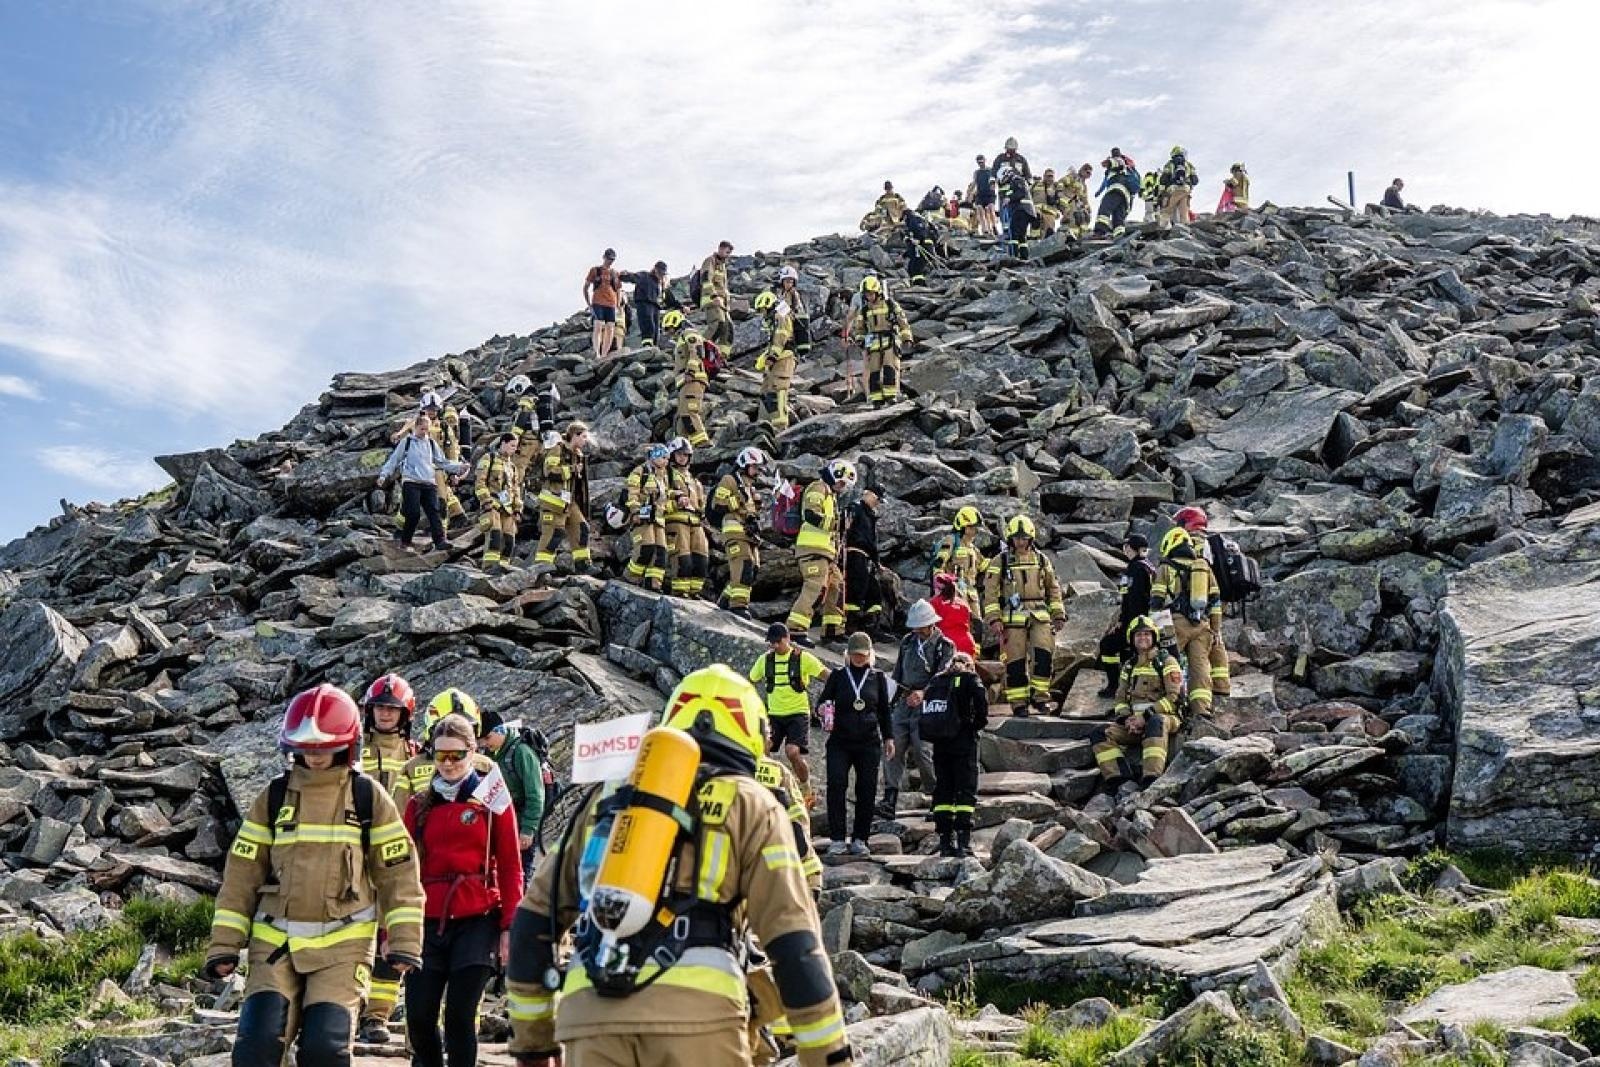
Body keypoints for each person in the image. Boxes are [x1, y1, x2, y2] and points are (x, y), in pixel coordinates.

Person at [504, 665, 853, 1067]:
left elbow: (533, 923)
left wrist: (533, 1044)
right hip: (699, 1017)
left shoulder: (609, 798)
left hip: (591, 1016)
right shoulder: (751, 803)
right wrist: (830, 1057)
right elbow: (794, 947)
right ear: (752, 733)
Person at [205, 684, 425, 1067]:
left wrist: (405, 940)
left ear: (347, 745)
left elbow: (399, 873)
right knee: (257, 1044)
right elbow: (242, 874)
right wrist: (224, 944)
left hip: (344, 947)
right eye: (306, 748)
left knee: (325, 1049)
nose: (315, 756)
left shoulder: (367, 798)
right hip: (276, 944)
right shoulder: (274, 798)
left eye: (325, 747)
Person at [403, 713, 524, 1067]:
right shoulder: (418, 806)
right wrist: (389, 930)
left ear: (472, 752)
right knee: (419, 1018)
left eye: (456, 755)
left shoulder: (493, 801)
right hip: (427, 920)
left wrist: (510, 927)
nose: (448, 763)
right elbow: (399, 873)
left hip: (477, 919)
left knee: (459, 1017)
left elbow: (511, 865)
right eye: (441, 755)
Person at [356, 674, 419, 1044]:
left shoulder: (415, 754)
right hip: (355, 854)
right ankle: (349, 1007)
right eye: (380, 707)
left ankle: (376, 1016)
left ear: (405, 714)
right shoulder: (352, 749)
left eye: (392, 709)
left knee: (392, 931)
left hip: (397, 856)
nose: (385, 714)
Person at [817, 632, 893, 855]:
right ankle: (837, 839)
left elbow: (884, 711)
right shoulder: (838, 676)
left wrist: (889, 738)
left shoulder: (878, 677)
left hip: (869, 742)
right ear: (847, 655)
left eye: (862, 655)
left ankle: (861, 838)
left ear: (870, 655)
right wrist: (821, 709)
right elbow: (823, 701)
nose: (859, 658)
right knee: (836, 786)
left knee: (867, 789)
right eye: (855, 655)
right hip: (840, 741)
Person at [982, 515, 1065, 716]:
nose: (1020, 542)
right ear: (1010, 539)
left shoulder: (1042, 559)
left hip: (1040, 615)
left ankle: (1040, 698)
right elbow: (990, 592)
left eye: (1024, 538)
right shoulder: (1000, 561)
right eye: (1017, 538)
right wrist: (994, 618)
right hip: (1012, 619)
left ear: (1031, 538)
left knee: (1044, 657)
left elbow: (1053, 588)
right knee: (1015, 662)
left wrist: (1058, 613)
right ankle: (1018, 704)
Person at [1091, 616, 1184, 790]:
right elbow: (1120, 699)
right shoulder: (1129, 666)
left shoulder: (1166, 661)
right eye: (1138, 635)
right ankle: (1119, 779)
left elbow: (1175, 698)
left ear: (1154, 637)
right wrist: (1127, 719)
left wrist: (1145, 717)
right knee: (1100, 733)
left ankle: (1151, 778)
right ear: (1132, 639)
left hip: (1165, 718)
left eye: (1147, 634)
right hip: (1134, 724)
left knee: (1156, 722)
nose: (1143, 638)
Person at [882, 599, 953, 819]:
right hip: (904, 701)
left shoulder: (944, 646)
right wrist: (890, 700)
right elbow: (898, 673)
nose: (917, 631)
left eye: (920, 627)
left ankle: (937, 795)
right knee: (893, 746)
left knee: (923, 751)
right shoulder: (907, 642)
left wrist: (924, 693)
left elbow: (944, 676)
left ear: (931, 624)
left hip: (929, 704)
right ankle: (889, 798)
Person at [1150, 526, 1225, 718]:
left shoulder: (1165, 567)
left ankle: (1169, 704)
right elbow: (1216, 602)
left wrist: (1152, 628)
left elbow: (1157, 600)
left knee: (1168, 662)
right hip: (1202, 626)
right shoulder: (1204, 568)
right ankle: (1201, 709)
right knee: (1200, 667)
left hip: (1175, 624)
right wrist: (1216, 629)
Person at [919, 652, 988, 857]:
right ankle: (963, 841)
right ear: (969, 665)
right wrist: (975, 726)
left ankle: (945, 840)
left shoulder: (937, 680)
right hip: (964, 742)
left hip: (940, 744)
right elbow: (982, 706)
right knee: (965, 791)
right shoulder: (970, 679)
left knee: (943, 790)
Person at [750, 622, 829, 796]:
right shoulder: (764, 660)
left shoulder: (803, 658)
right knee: (763, 747)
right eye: (771, 642)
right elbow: (751, 680)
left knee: (792, 752)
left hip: (798, 714)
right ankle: (773, 784)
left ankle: (806, 788)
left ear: (787, 638)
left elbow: (827, 676)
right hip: (774, 714)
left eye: (778, 641)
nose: (774, 645)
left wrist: (833, 696)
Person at [1162, 511, 1232, 705]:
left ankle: (1174, 696)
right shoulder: (1212, 543)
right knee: (1215, 642)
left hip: (1191, 605)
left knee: (1171, 654)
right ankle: (1220, 686)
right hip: (1211, 601)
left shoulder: (1191, 543)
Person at [786, 459, 855, 646]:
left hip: (827, 553)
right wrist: (838, 524)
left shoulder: (831, 495)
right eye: (841, 482)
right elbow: (811, 515)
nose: (842, 487)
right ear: (834, 474)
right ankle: (795, 629)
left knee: (836, 588)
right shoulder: (818, 487)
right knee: (815, 587)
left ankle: (833, 630)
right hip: (812, 549)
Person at [378, 411, 468, 555]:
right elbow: (394, 460)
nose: (425, 432)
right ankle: (405, 541)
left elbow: (442, 462)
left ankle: (440, 541)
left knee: (434, 512)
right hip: (411, 482)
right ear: (415, 427)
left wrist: (458, 468)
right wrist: (384, 475)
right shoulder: (407, 442)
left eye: (427, 429)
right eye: (422, 429)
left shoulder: (431, 444)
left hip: (429, 483)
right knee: (413, 513)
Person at [394, 689, 498, 807]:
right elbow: (398, 812)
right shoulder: (411, 768)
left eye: (463, 729)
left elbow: (502, 811)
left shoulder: (486, 766)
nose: (454, 735)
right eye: (446, 729)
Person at [480, 710, 544, 880]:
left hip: (522, 825)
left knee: (520, 874)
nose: (484, 743)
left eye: (487, 738)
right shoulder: (491, 754)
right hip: (504, 826)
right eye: (481, 740)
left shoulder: (522, 752)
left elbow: (535, 794)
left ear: (500, 730)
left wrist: (528, 830)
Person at [711, 446, 769, 616]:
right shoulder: (729, 480)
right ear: (745, 464)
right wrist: (738, 501)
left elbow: (748, 513)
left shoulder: (750, 487)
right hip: (734, 531)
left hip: (748, 534)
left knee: (753, 569)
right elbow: (718, 504)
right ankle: (738, 605)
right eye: (755, 467)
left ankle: (725, 600)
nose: (758, 471)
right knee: (744, 565)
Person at [1096, 533, 1155, 697]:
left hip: (1137, 622)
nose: (1125, 550)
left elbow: (1134, 599)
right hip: (1148, 621)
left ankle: (1115, 686)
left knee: (1108, 645)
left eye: (1126, 547)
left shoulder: (1135, 568)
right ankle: (1128, 685)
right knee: (1127, 653)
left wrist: (1129, 626)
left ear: (1131, 548)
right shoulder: (1149, 566)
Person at [532, 422, 593, 573]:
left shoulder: (578, 455)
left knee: (582, 528)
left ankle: (583, 565)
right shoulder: (557, 449)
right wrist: (571, 470)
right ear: (575, 435)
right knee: (554, 534)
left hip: (569, 502)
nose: (586, 441)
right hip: (553, 501)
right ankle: (541, 569)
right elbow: (549, 471)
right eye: (583, 437)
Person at [849, 276, 912, 408]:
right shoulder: (864, 310)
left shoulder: (890, 305)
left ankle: (891, 396)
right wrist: (860, 339)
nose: (869, 297)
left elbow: (903, 322)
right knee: (874, 371)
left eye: (871, 294)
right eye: (866, 294)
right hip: (874, 343)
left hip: (890, 340)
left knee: (890, 367)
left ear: (878, 292)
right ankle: (876, 399)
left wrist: (907, 338)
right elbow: (859, 328)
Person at [755, 268, 805, 431]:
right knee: (767, 392)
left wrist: (772, 356)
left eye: (763, 310)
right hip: (778, 358)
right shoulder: (774, 317)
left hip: (784, 358)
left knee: (778, 392)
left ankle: (781, 427)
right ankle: (773, 424)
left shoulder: (781, 316)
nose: (763, 314)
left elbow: (780, 338)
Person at [664, 437, 709, 599]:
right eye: (679, 454)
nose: (682, 457)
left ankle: (694, 591)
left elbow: (701, 504)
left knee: (701, 559)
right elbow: (659, 498)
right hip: (676, 523)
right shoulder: (666, 475)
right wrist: (675, 503)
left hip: (696, 523)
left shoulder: (693, 480)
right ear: (672, 455)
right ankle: (680, 592)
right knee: (683, 559)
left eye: (685, 454)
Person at [623, 444, 672, 592]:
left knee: (661, 552)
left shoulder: (664, 476)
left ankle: (654, 583)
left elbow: (665, 495)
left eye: (667, 458)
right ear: (654, 456)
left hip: (658, 519)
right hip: (643, 517)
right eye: (663, 457)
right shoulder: (640, 471)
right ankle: (631, 577)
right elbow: (632, 493)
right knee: (646, 548)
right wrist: (635, 511)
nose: (666, 461)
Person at [473, 433, 523, 573]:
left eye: (516, 446)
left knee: (509, 540)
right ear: (503, 443)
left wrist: (518, 509)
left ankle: (503, 568)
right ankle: (489, 568)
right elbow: (480, 482)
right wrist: (486, 500)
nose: (514, 449)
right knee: (494, 536)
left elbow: (516, 489)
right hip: (493, 503)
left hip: (508, 508)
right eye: (512, 445)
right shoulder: (489, 458)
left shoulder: (512, 467)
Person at [931, 505, 987, 617]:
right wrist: (942, 586)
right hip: (955, 593)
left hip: (972, 595)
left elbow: (983, 565)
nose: (975, 531)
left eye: (976, 528)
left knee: (976, 624)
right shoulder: (951, 541)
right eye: (972, 527)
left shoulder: (973, 549)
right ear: (963, 527)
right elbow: (939, 564)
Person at [843, 486, 884, 635]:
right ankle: (850, 624)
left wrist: (877, 562)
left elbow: (871, 542)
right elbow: (846, 529)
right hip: (855, 554)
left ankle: (871, 627)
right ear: (869, 494)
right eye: (877, 499)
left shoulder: (870, 515)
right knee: (856, 589)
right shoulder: (855, 508)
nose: (877, 504)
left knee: (874, 590)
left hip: (866, 557)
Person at [669, 312, 713, 449]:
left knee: (689, 411)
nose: (668, 332)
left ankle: (702, 442)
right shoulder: (681, 338)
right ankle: (682, 447)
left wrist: (691, 371)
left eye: (669, 328)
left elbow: (697, 351)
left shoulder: (689, 333)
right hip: (685, 381)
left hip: (692, 379)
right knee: (681, 418)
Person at [619, 260, 677, 347]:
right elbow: (633, 277)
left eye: (662, 273)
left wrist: (681, 307)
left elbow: (669, 299)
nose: (661, 275)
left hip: (656, 307)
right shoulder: (645, 276)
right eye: (660, 272)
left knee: (656, 329)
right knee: (648, 325)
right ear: (655, 269)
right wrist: (624, 275)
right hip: (644, 303)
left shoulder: (660, 284)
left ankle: (654, 346)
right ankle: (647, 345)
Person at [583, 249, 622, 359]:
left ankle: (604, 354)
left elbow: (618, 290)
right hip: (598, 302)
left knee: (610, 328)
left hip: (611, 303)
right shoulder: (595, 270)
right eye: (609, 258)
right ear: (604, 257)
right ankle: (597, 353)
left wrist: (618, 304)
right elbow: (586, 287)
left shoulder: (615, 273)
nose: (610, 261)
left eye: (612, 259)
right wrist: (589, 303)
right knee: (598, 325)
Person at [699, 240, 735, 347]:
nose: (728, 255)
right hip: (712, 301)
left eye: (729, 253)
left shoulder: (722, 266)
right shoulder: (710, 261)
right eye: (727, 252)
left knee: (728, 331)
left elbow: (723, 287)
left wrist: (727, 303)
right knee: (717, 325)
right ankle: (698, 349)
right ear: (720, 249)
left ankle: (722, 355)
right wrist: (714, 296)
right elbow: (706, 280)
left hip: (722, 304)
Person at [1093, 156, 1141, 238]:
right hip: (1125, 196)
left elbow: (1115, 163)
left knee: (1105, 209)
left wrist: (1108, 162)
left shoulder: (1118, 161)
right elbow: (1105, 182)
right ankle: (1119, 234)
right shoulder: (1129, 171)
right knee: (1118, 216)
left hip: (1116, 189)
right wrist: (1099, 192)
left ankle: (1099, 231)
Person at [930, 572, 976, 656]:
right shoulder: (963, 603)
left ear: (938, 588)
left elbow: (929, 628)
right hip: (967, 645)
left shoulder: (934, 602)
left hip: (947, 646)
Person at [999, 164, 1038, 258]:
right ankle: (1024, 256)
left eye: (1004, 178)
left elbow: (1021, 193)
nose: (1004, 181)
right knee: (1021, 235)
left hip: (1021, 210)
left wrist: (1009, 198)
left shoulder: (1017, 180)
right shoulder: (1016, 181)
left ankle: (1014, 256)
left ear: (1007, 174)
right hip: (1025, 211)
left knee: (1013, 234)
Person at [1158, 146, 1198, 227]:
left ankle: (1162, 228)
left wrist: (1163, 190)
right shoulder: (1189, 165)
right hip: (1185, 190)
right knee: (1184, 212)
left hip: (1173, 190)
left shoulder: (1169, 164)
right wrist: (1188, 184)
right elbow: (1195, 180)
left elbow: (1163, 180)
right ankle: (1185, 228)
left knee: (1167, 211)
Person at [902, 209, 939, 284]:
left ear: (905, 216)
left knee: (916, 266)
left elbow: (917, 232)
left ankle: (918, 284)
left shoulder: (912, 220)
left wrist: (919, 240)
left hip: (920, 247)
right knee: (915, 265)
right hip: (927, 245)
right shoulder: (922, 221)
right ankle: (919, 282)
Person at [969, 154, 999, 237]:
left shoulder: (991, 170)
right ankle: (985, 229)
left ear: (985, 160)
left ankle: (994, 226)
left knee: (991, 209)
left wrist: (994, 186)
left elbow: (996, 180)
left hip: (989, 194)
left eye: (982, 162)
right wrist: (969, 193)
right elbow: (974, 183)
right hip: (980, 194)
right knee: (980, 210)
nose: (981, 164)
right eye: (979, 163)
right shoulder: (977, 172)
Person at [1063, 164, 1093, 235]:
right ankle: (1071, 235)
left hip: (1079, 204)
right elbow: (1061, 184)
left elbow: (1085, 198)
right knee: (1073, 219)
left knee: (1084, 218)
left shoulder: (1084, 185)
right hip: (1070, 202)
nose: (1089, 175)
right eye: (1087, 172)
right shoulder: (1073, 177)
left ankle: (1083, 234)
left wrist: (1088, 206)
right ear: (1082, 171)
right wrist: (1066, 196)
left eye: (1090, 174)